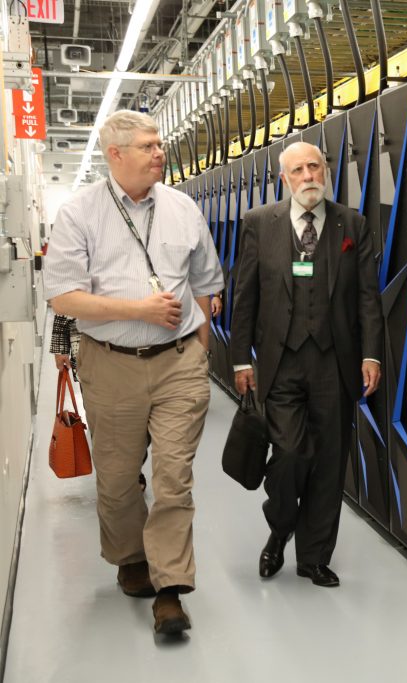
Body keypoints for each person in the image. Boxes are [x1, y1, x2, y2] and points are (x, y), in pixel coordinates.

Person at [44, 110, 223, 634]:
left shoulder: (184, 207)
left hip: (178, 364)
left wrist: (199, 349)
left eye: (159, 144)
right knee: (119, 481)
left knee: (173, 479)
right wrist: (136, 311)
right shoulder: (80, 213)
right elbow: (63, 295)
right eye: (147, 145)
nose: (159, 152)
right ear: (115, 155)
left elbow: (207, 283)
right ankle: (130, 558)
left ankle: (170, 588)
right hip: (111, 363)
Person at [231, 141, 383, 588]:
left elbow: (367, 298)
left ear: (326, 170)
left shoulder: (350, 224)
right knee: (291, 455)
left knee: (330, 462)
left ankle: (314, 557)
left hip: (335, 363)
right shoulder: (260, 223)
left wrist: (371, 353)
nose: (308, 176)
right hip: (280, 362)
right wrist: (241, 358)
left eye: (314, 166)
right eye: (297, 170)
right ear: (285, 179)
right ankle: (280, 529)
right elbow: (245, 297)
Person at [51, 313, 149, 492]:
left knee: (135, 419)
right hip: (87, 351)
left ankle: (133, 469)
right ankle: (110, 474)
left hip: (130, 347)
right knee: (100, 419)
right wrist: (60, 347)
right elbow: (65, 295)